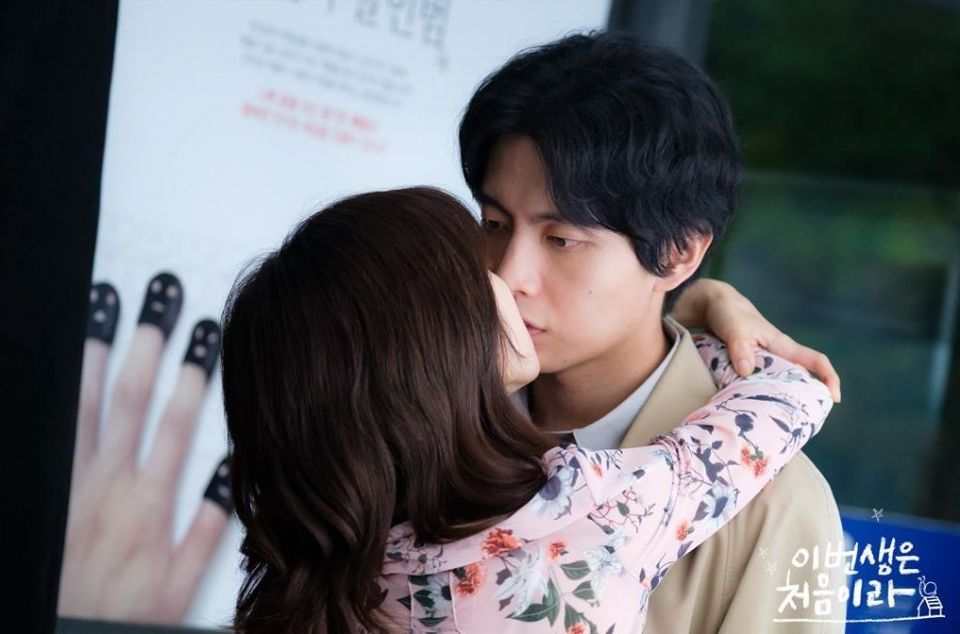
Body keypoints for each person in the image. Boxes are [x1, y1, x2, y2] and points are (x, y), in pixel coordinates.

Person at [219, 186, 833, 633]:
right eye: (484, 247)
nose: (508, 277)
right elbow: (790, 396)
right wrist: (704, 308)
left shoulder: (317, 553)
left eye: (559, 238)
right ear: (435, 346)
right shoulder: (581, 521)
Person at [458, 33, 845, 632]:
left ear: (678, 252)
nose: (508, 276)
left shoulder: (774, 505)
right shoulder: (424, 418)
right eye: (493, 223)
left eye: (561, 239)